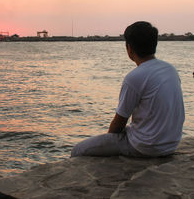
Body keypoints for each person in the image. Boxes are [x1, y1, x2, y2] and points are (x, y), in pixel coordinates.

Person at [71, 21, 185, 158]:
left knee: (78, 150)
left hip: (145, 147)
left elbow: (119, 123)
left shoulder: (134, 77)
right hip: (170, 145)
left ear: (129, 48)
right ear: (154, 45)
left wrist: (108, 143)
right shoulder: (170, 70)